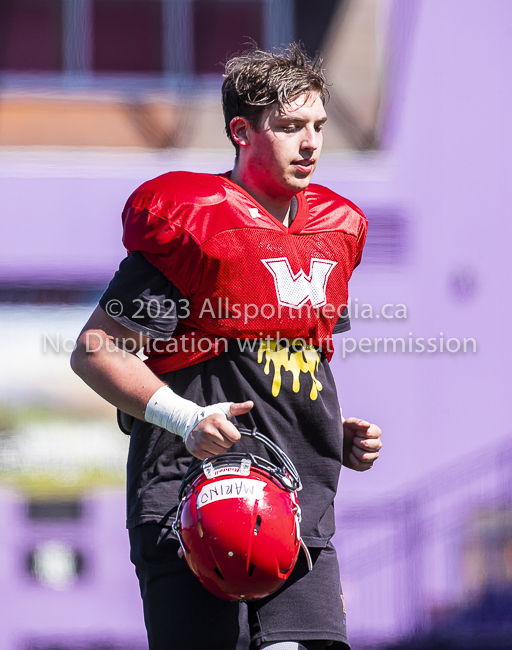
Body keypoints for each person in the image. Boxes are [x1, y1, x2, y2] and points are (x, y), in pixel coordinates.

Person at [71, 44, 382, 650]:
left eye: (318, 125)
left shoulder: (336, 229)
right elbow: (96, 352)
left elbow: (295, 361)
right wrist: (187, 418)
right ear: (242, 131)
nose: (311, 143)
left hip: (297, 502)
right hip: (193, 499)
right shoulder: (193, 224)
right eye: (290, 127)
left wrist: (324, 427)